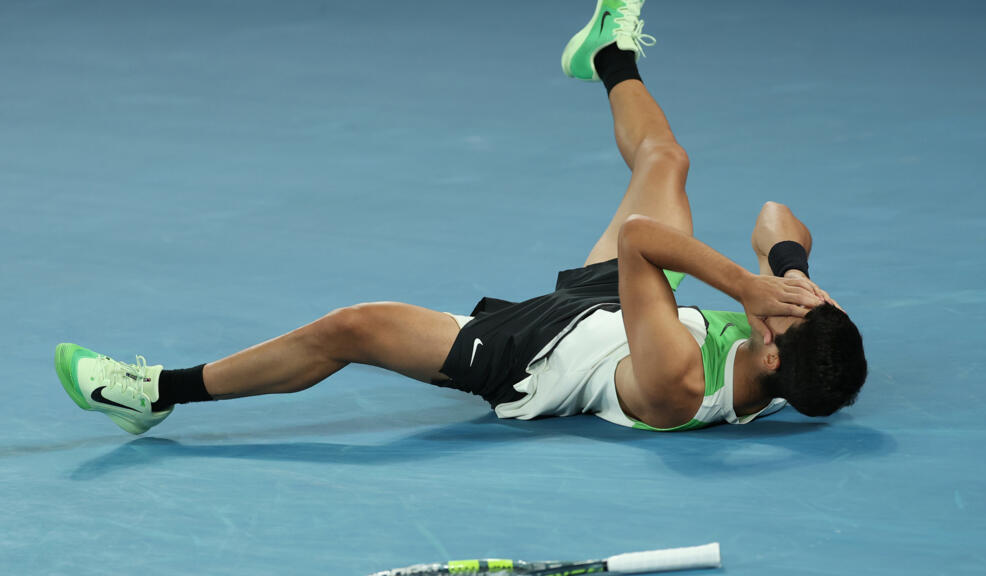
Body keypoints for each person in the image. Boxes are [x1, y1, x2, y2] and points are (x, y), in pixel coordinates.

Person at [54, 0, 866, 435]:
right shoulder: (801, 365)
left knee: (354, 327)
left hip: (539, 351)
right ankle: (608, 55)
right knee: (668, 162)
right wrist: (791, 271)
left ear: (766, 350)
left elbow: (640, 245)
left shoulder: (680, 387)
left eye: (777, 318)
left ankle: (153, 392)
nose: (774, 311)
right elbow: (772, 215)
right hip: (618, 309)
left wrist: (743, 285)